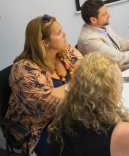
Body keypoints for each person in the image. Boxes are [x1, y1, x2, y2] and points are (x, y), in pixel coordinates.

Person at [48, 53, 129, 156]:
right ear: (109, 90)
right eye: (120, 80)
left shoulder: (69, 111)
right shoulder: (121, 133)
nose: (122, 85)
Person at [6, 15, 83, 155]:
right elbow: (51, 106)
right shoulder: (24, 70)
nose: (65, 34)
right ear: (45, 43)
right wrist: (80, 85)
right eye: (59, 33)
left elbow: (88, 72)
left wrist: (79, 85)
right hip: (39, 129)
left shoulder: (65, 51)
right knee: (88, 140)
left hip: (71, 115)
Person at [77, 0, 129, 70]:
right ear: (93, 20)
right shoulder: (88, 39)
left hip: (122, 61)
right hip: (115, 71)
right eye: (104, 14)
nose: (109, 15)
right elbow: (119, 58)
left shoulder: (101, 25)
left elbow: (121, 44)